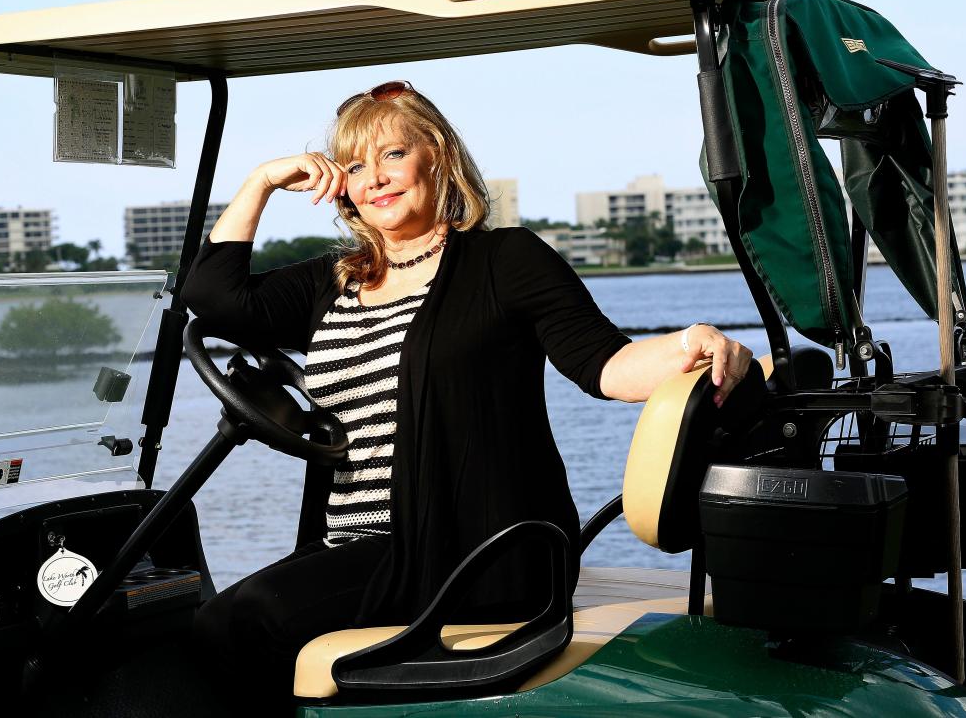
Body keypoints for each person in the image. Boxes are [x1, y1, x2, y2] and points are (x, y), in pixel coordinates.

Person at [182, 80, 752, 711]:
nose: (376, 178)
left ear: (439, 156)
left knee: (234, 623)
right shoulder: (333, 279)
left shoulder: (504, 259)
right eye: (355, 166)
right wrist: (261, 180)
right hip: (359, 549)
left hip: (471, 554)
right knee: (239, 620)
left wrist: (690, 345)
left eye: (394, 155)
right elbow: (213, 297)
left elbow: (607, 365)